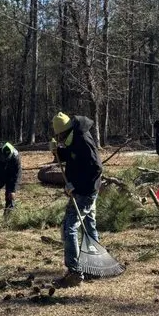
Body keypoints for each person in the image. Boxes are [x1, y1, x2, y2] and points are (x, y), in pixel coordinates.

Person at [52, 112, 103, 287]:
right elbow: (73, 156)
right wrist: (58, 151)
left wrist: (75, 185)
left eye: (59, 136)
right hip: (85, 190)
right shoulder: (73, 137)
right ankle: (95, 267)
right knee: (89, 226)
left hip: (85, 192)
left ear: (65, 132)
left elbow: (96, 167)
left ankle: (74, 272)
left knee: (69, 227)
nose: (58, 139)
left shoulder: (83, 140)